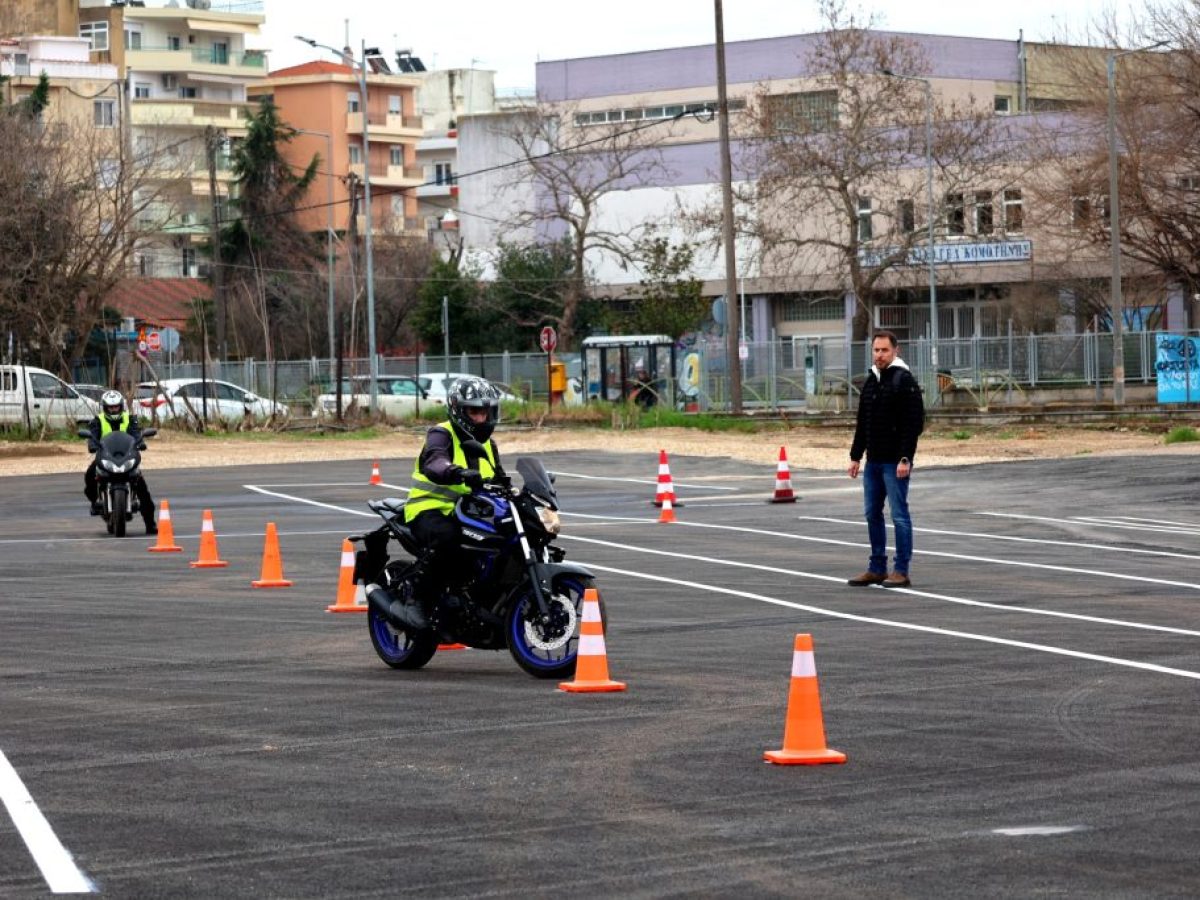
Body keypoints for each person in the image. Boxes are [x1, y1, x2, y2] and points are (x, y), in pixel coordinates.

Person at [401, 376, 508, 626]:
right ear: (458, 410)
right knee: (448, 537)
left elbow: (501, 479)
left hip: (469, 513)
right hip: (429, 508)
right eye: (475, 411)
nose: (482, 418)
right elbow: (434, 461)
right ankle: (414, 596)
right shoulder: (441, 434)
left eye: (486, 411)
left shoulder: (488, 445)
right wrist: (457, 472)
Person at [847, 330, 924, 588]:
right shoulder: (871, 380)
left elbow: (913, 424)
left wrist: (905, 458)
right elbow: (863, 422)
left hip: (894, 462)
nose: (879, 355)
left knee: (899, 515)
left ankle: (900, 570)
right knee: (872, 513)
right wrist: (856, 456)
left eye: (884, 350)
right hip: (873, 461)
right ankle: (877, 567)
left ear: (895, 351)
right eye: (876, 350)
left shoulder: (904, 381)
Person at [84, 390, 157, 535]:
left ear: (121, 406)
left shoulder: (130, 419)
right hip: (106, 457)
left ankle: (150, 524)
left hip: (126, 457)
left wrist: (140, 442)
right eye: (110, 407)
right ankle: (95, 503)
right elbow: (93, 436)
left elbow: (136, 433)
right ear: (105, 407)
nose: (113, 409)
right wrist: (92, 444)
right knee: (89, 476)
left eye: (116, 407)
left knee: (143, 491)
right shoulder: (97, 421)